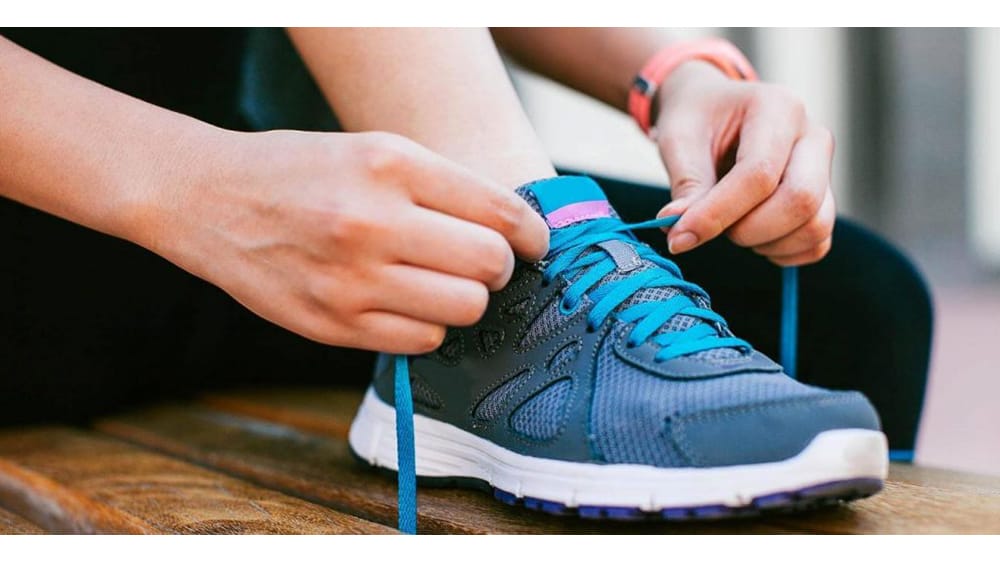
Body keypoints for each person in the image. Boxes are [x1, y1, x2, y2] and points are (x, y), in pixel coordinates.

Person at [0, 29, 928, 468]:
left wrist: (672, 73)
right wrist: (192, 186)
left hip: (278, 197)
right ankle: (536, 266)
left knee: (858, 300)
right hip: (50, 220)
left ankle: (533, 257)